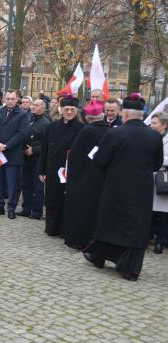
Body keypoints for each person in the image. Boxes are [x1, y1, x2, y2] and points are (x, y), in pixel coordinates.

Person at [83, 94, 163, 281]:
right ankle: (130, 268)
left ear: (124, 114)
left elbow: (100, 161)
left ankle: (99, 256)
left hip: (115, 187)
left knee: (110, 222)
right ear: (141, 115)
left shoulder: (114, 133)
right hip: (142, 189)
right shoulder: (154, 136)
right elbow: (157, 165)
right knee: (136, 227)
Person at [62, 101, 110, 250]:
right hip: (102, 176)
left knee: (81, 209)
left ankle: (78, 240)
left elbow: (75, 155)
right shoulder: (110, 131)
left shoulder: (86, 131)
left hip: (82, 177)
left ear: (88, 118)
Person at [38, 95, 84, 235]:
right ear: (61, 109)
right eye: (66, 109)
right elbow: (44, 149)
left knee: (66, 200)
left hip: (71, 171)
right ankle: (51, 227)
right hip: (52, 169)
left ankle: (64, 229)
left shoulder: (82, 129)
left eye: (72, 109)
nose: (69, 112)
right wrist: (41, 170)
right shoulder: (51, 127)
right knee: (52, 199)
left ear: (76, 110)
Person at [0, 90, 29, 219]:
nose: (10, 101)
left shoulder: (22, 115)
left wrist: (7, 145)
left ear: (17, 100)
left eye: (12, 99)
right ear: (4, 99)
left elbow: (22, 134)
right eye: (8, 98)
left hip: (12, 154)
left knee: (12, 183)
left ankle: (11, 207)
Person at [17, 99, 50, 219]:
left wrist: (34, 150)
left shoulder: (46, 123)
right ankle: (26, 208)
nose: (33, 107)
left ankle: (37, 211)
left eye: (36, 105)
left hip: (38, 159)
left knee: (37, 187)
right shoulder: (30, 119)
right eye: (33, 105)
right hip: (26, 158)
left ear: (43, 108)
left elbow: (48, 144)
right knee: (26, 184)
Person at [150, 112, 168, 254]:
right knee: (149, 209)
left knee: (163, 212)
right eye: (152, 123)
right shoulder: (148, 136)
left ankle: (160, 241)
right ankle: (148, 236)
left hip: (164, 177)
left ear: (164, 125)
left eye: (155, 123)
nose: (152, 125)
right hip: (150, 176)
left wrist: (158, 158)